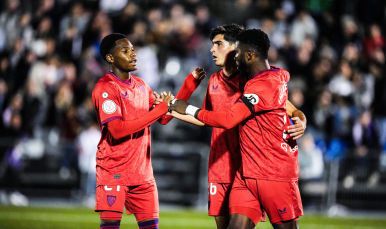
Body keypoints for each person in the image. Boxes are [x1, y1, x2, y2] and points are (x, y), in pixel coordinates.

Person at [169, 26, 306, 229]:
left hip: (274, 173)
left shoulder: (264, 84)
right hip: (246, 173)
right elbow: (210, 117)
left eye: (237, 52)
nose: (235, 56)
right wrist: (169, 108)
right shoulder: (245, 80)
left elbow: (229, 118)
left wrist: (188, 108)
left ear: (247, 54)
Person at [92, 33, 175, 229]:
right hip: (114, 171)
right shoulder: (105, 88)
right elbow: (117, 130)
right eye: (125, 51)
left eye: (132, 50)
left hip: (143, 175)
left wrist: (189, 86)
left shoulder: (142, 86)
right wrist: (160, 109)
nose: (133, 54)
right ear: (110, 58)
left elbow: (163, 118)